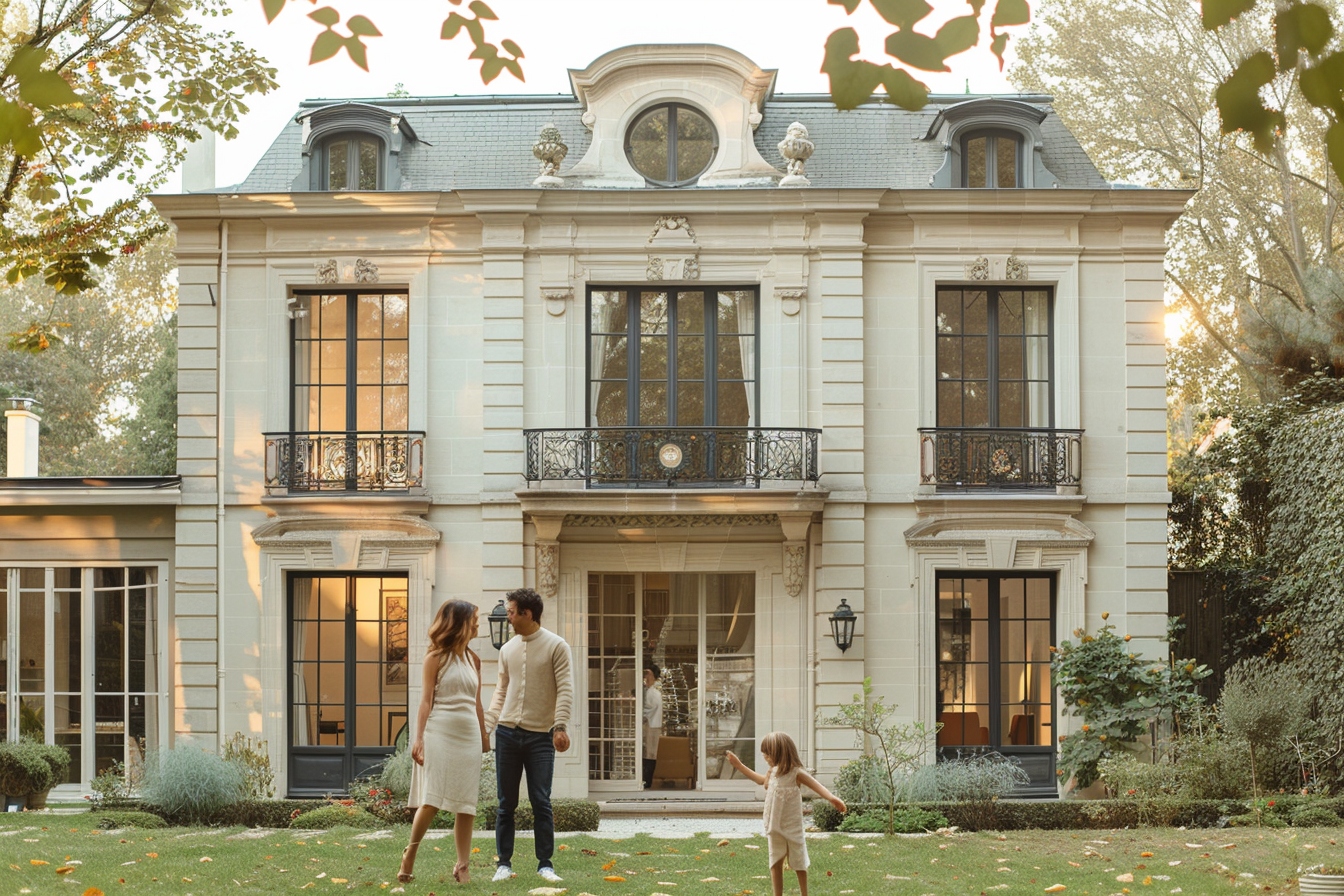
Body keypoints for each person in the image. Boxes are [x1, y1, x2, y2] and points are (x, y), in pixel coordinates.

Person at [484, 587, 573, 884]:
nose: (507, 617)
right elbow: (500, 691)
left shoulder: (557, 646)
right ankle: (504, 864)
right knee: (505, 802)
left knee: (540, 801)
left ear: (527, 613)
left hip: (541, 738)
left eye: (511, 612)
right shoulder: (507, 649)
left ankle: (545, 864)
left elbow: (565, 689)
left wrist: (560, 726)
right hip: (507, 735)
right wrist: (488, 726)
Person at [399, 599, 490, 884]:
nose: (477, 624)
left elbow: (477, 704)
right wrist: (419, 738)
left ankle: (463, 865)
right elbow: (425, 701)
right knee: (432, 799)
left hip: (469, 737)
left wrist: (485, 736)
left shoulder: (474, 660)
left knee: (466, 803)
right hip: (439, 732)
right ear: (460, 623)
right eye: (474, 619)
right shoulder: (435, 658)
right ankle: (410, 854)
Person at [726, 732, 847, 896]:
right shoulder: (771, 773)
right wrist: (739, 765)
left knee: (799, 861)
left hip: (792, 826)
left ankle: (804, 893)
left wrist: (833, 799)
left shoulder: (795, 773)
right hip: (774, 826)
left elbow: (816, 786)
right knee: (775, 861)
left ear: (779, 753)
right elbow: (759, 780)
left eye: (768, 754)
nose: (765, 758)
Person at [641, 663, 663, 789]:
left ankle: (647, 780)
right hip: (649, 724)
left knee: (650, 753)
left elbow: (650, 708)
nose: (646, 676)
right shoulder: (648, 690)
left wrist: (640, 713)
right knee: (647, 752)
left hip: (652, 725)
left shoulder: (654, 693)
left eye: (648, 673)